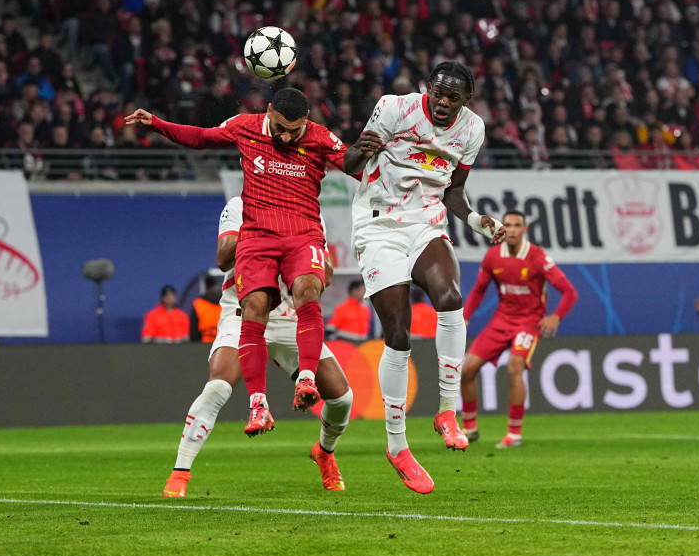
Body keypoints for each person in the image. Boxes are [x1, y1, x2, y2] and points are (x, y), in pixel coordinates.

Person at [127, 88, 364, 437]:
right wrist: (158, 124)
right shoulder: (245, 126)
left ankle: (306, 380)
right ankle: (258, 404)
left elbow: (356, 168)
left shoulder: (319, 137)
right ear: (268, 111)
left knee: (308, 290)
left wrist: (373, 153)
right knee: (254, 305)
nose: (287, 136)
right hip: (258, 235)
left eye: (295, 130)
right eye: (281, 127)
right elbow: (201, 138)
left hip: (302, 233)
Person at [342, 61, 505, 494]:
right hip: (378, 225)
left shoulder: (472, 130)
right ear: (428, 88)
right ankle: (398, 447)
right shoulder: (394, 109)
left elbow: (452, 190)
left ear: (466, 101)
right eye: (438, 92)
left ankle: (447, 410)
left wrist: (476, 221)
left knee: (451, 297)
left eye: (453, 97)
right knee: (398, 334)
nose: (443, 101)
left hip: (426, 222)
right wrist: (364, 148)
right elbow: (348, 164)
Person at [164, 197, 353, 497]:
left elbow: (325, 272)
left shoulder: (309, 210)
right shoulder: (242, 205)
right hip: (243, 311)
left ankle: (325, 452)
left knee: (343, 398)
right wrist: (269, 237)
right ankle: (180, 472)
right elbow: (223, 258)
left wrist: (306, 256)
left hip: (289, 317)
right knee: (218, 386)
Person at [460, 211, 578, 449]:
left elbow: (569, 292)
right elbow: (479, 290)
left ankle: (514, 434)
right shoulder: (493, 256)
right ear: (501, 229)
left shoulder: (537, 257)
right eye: (508, 225)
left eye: (517, 225)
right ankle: (470, 428)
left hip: (528, 321)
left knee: (514, 368)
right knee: (467, 370)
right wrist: (465, 317)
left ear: (525, 230)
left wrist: (556, 316)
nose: (512, 229)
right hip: (501, 320)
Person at [189, 276, 223, 343]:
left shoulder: (198, 304)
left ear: (206, 289)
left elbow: (194, 332)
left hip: (205, 345)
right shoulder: (226, 302)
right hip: (223, 343)